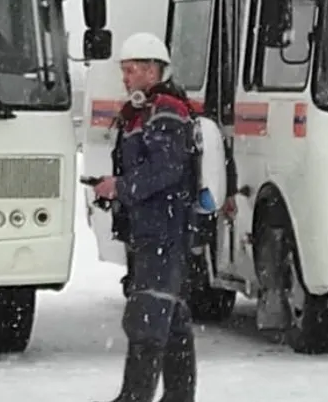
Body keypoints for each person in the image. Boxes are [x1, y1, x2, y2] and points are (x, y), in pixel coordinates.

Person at [92, 33, 199, 402]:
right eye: (123, 70)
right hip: (158, 226)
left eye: (132, 70)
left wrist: (120, 187)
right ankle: (178, 396)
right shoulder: (149, 109)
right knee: (172, 317)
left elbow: (165, 170)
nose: (125, 78)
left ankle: (134, 397)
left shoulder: (164, 111)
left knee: (149, 316)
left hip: (162, 229)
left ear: (153, 70)